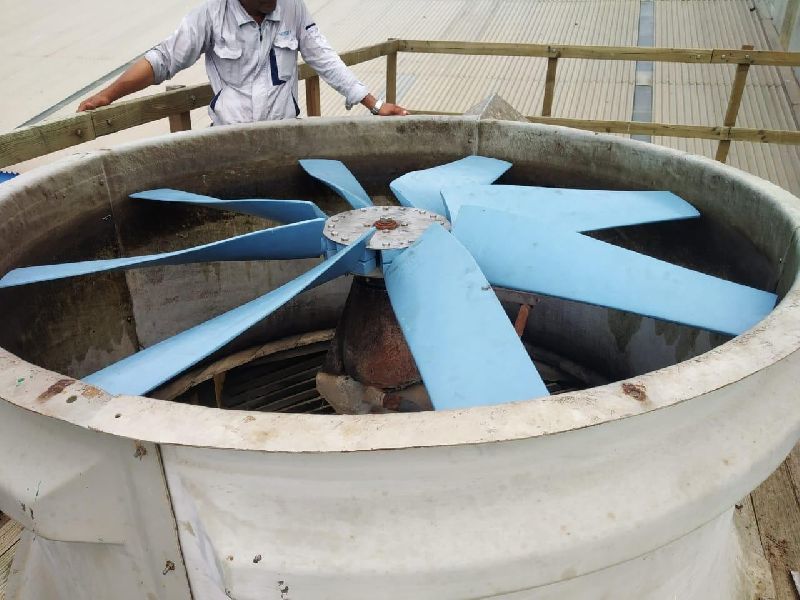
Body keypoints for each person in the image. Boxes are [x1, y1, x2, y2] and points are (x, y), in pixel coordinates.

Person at [78, 0, 408, 123]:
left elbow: (325, 59)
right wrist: (108, 94)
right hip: (229, 141)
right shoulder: (210, 16)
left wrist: (375, 104)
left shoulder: (292, 8)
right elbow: (162, 60)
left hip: (284, 138)